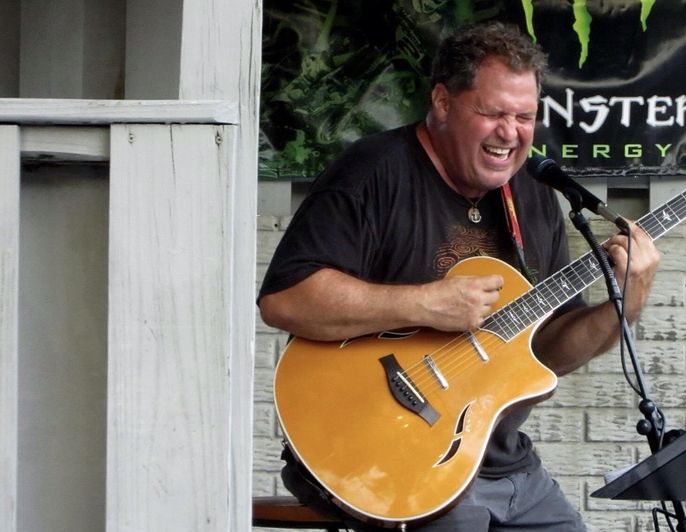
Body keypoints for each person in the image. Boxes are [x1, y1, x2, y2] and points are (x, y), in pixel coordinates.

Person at [257, 20, 660, 531]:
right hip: (388, 458)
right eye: (492, 112)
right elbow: (286, 300)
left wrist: (625, 302)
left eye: (524, 116)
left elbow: (549, 352)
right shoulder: (375, 172)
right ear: (443, 103)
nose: (510, 133)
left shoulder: (533, 195)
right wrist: (424, 304)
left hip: (502, 464)